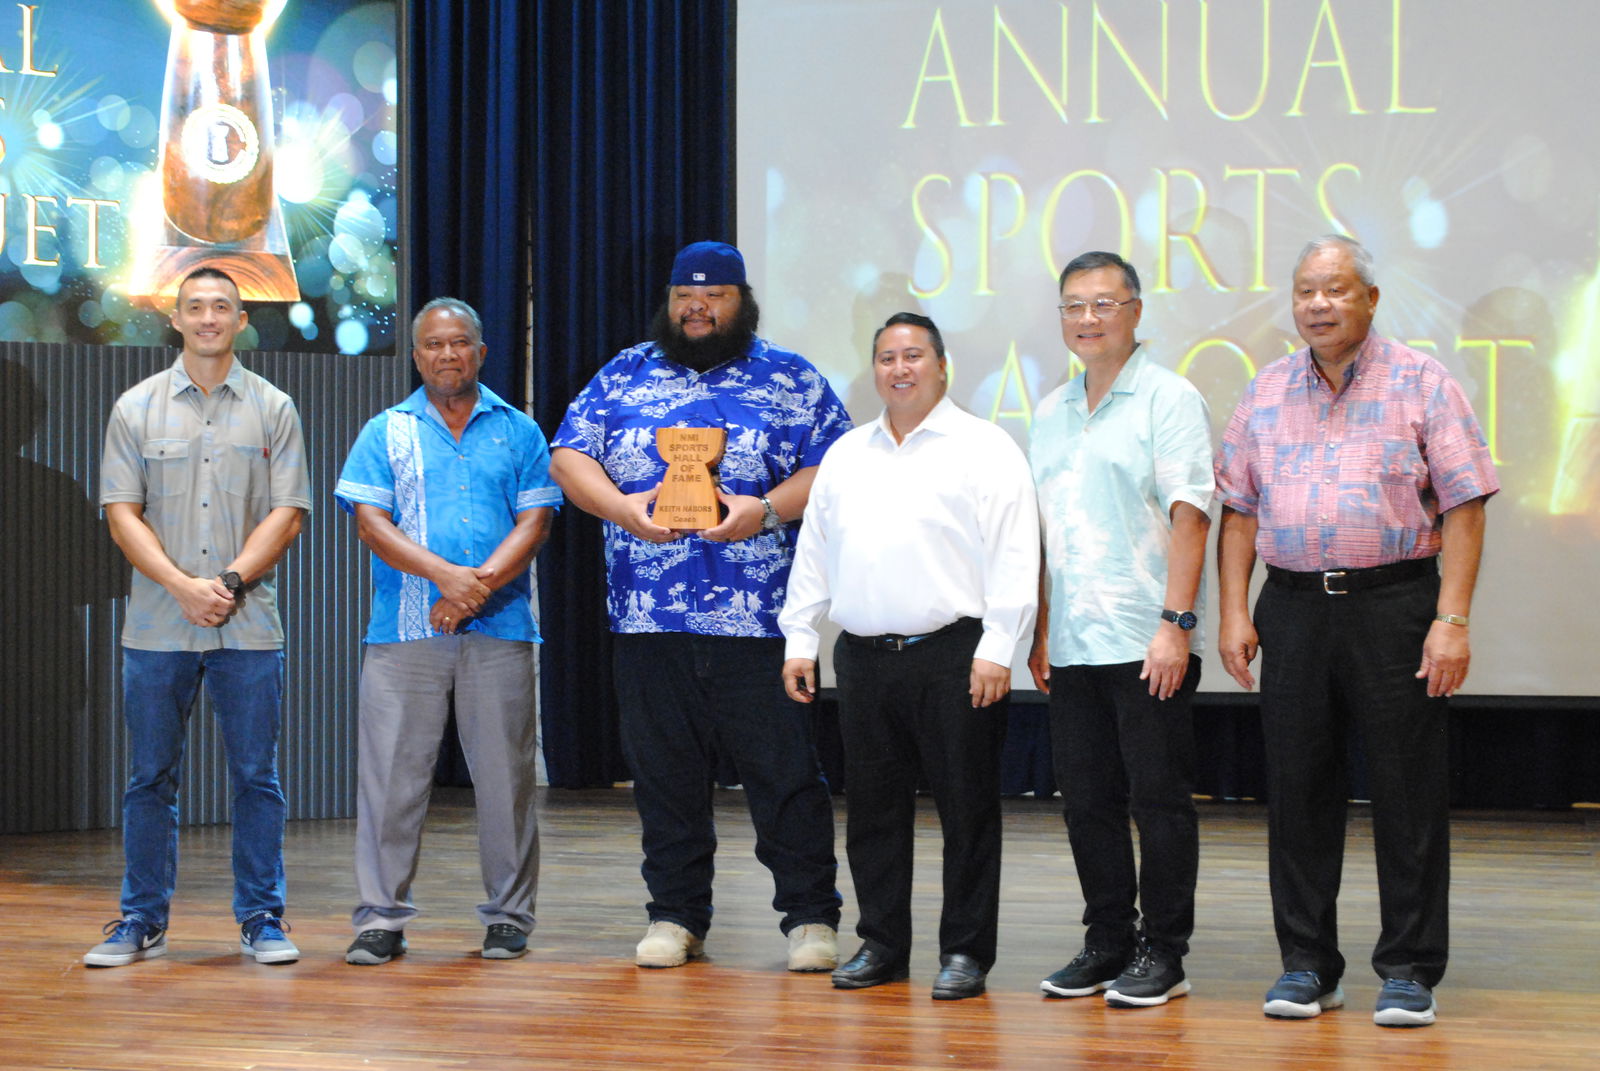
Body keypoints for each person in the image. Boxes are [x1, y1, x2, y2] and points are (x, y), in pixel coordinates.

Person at [1215, 235, 1497, 1028]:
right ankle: (1307, 964)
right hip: (1294, 607)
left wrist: (1451, 618)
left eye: (1335, 289)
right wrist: (1235, 609)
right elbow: (1237, 510)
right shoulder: (1265, 390)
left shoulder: (1422, 380)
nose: (1317, 304)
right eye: (1306, 290)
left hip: (1395, 605)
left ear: (1370, 297)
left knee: (1407, 791)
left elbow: (1467, 503)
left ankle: (1408, 968)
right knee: (1298, 790)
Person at [550, 240, 847, 971]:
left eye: (714, 294)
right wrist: (621, 507)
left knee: (783, 771)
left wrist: (768, 510)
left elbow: (837, 467)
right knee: (662, 773)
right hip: (650, 616)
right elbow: (566, 454)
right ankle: (676, 914)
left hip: (757, 618)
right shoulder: (626, 371)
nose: (697, 305)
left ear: (742, 301)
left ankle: (809, 917)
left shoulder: (790, 377)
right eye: (686, 291)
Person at [780, 312, 1038, 1001]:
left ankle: (965, 952)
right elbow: (815, 551)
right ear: (875, 370)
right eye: (887, 357)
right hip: (863, 658)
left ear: (942, 366)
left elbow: (1017, 552)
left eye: (914, 355)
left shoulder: (985, 447)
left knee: (967, 810)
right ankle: (883, 942)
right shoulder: (846, 453)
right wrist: (801, 635)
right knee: (873, 812)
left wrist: (998, 647)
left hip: (954, 654)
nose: (900, 368)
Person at [88, 266, 311, 967]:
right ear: (175, 319)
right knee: (150, 776)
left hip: (248, 626)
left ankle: (262, 919)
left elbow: (289, 511)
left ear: (242, 319)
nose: (209, 317)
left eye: (222, 306)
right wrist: (183, 586)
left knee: (256, 776)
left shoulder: (273, 407)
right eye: (196, 307)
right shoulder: (135, 408)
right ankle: (140, 919)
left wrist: (229, 581)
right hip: (157, 627)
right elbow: (122, 515)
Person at [335, 298, 562, 965]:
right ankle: (381, 917)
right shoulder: (386, 430)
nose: (446, 354)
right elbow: (371, 523)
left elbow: (537, 522)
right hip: (404, 631)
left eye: (459, 342)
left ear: (482, 351)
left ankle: (508, 916)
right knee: (391, 781)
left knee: (506, 780)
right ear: (417, 355)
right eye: (432, 344)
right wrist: (446, 578)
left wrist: (477, 587)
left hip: (501, 628)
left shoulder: (519, 431)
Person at [1027, 252, 1213, 1008]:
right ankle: (1107, 939)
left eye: (1104, 303)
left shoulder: (1169, 398)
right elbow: (1043, 533)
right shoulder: (1048, 410)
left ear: (1136, 312)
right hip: (1072, 641)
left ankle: (1163, 950)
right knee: (1087, 802)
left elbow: (1191, 514)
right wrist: (1040, 631)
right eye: (1073, 305)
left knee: (1158, 800)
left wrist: (1176, 623)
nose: (1087, 318)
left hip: (1147, 638)